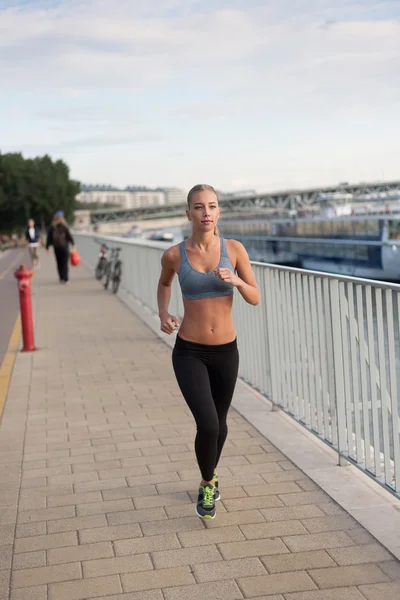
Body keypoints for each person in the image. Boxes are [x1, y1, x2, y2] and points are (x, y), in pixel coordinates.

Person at [157, 184, 260, 519]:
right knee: (208, 424)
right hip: (189, 351)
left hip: (226, 352)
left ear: (219, 212)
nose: (206, 213)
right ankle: (207, 483)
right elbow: (165, 283)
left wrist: (237, 281)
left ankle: (210, 475)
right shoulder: (174, 254)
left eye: (212, 206)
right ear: (188, 213)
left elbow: (255, 297)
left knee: (221, 424)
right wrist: (164, 314)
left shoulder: (234, 249)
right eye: (199, 207)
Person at [46, 211, 74, 284]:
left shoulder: (60, 227)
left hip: (62, 247)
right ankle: (63, 278)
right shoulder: (54, 227)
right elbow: (49, 237)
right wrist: (47, 246)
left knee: (63, 263)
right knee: (60, 263)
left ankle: (65, 278)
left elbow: (68, 235)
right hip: (60, 247)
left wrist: (72, 242)